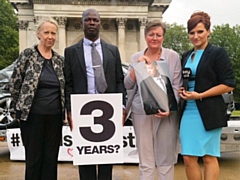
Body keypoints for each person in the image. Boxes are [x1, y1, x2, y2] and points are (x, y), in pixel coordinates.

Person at [64, 8, 126, 180]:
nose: (92, 23)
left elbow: (119, 80)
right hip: (82, 110)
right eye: (88, 19)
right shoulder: (70, 52)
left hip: (108, 111)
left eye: (95, 20)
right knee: (86, 159)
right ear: (82, 23)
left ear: (100, 23)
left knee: (106, 159)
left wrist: (121, 106)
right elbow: (68, 84)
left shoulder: (113, 51)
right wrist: (69, 111)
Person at [178, 11, 236, 180]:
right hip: (188, 112)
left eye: (200, 31)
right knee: (188, 157)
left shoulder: (218, 53)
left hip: (209, 111)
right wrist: (183, 91)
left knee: (209, 156)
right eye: (192, 32)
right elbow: (187, 79)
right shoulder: (186, 55)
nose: (195, 36)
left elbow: (228, 84)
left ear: (209, 31)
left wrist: (201, 95)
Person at [124, 20, 182, 180]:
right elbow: (127, 84)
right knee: (146, 159)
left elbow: (177, 85)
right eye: (151, 34)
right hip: (141, 112)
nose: (154, 38)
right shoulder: (136, 56)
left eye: (158, 35)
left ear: (163, 37)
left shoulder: (172, 56)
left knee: (165, 159)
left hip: (166, 113)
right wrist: (137, 68)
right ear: (145, 36)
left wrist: (169, 107)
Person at [9, 18, 65, 180]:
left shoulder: (59, 61)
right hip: (32, 117)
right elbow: (15, 83)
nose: (50, 36)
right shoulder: (27, 55)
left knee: (51, 159)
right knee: (34, 159)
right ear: (38, 34)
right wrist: (18, 109)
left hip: (54, 117)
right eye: (46, 32)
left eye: (53, 33)